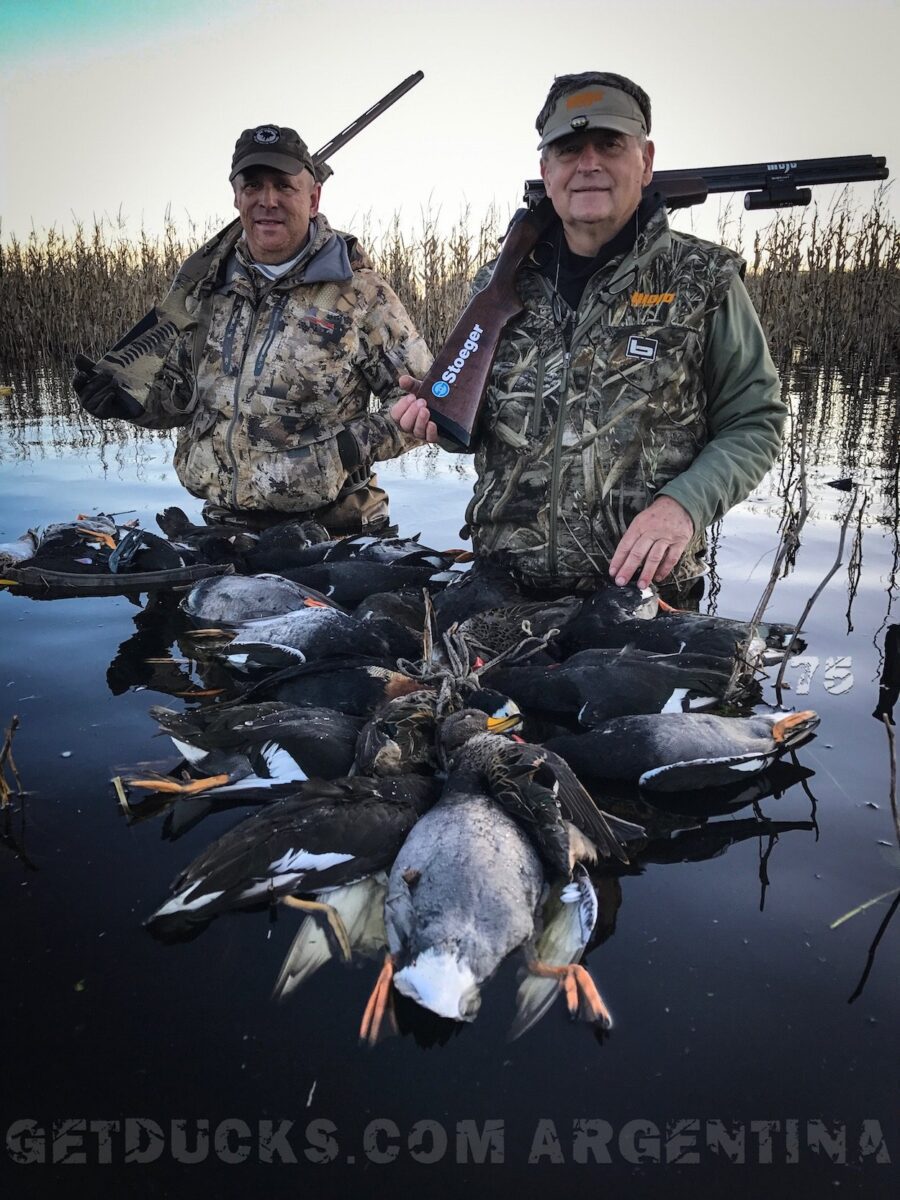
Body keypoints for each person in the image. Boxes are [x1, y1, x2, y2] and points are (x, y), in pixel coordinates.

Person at [392, 72, 786, 596]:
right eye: (569, 149)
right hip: (500, 586)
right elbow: (481, 426)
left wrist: (684, 505)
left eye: (609, 144)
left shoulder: (704, 278)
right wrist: (438, 422)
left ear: (646, 160)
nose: (589, 164)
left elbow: (755, 421)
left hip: (642, 596)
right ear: (546, 170)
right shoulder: (499, 283)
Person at [73, 124, 431, 534]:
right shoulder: (206, 288)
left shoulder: (361, 292)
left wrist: (348, 448)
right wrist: (130, 404)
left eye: (284, 186)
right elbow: (182, 397)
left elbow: (428, 400)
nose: (268, 201)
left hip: (335, 530)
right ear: (236, 196)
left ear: (313, 198)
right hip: (224, 526)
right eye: (253, 186)